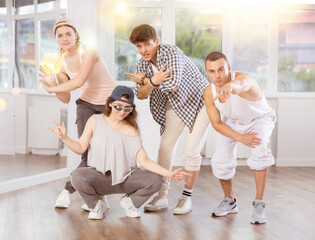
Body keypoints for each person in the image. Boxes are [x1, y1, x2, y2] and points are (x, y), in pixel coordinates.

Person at [49, 85, 189, 220]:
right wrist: (64, 138)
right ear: (110, 103)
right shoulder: (94, 121)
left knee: (157, 180)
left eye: (127, 109)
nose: (122, 112)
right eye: (118, 107)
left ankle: (131, 203)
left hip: (125, 179)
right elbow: (80, 147)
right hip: (99, 177)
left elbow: (144, 161)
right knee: (77, 176)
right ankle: (97, 205)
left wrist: (169, 174)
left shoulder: (132, 130)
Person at [124, 24, 210, 215]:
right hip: (176, 104)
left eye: (147, 44)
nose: (143, 50)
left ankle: (186, 197)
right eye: (139, 46)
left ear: (157, 41)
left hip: (201, 100)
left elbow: (173, 85)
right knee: (164, 148)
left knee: (191, 151)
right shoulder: (141, 65)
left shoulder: (171, 52)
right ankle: (161, 196)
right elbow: (141, 95)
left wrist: (146, 81)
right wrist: (151, 82)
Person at [39, 16, 117, 209]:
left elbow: (80, 81)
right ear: (56, 39)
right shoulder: (62, 62)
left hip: (109, 103)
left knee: (105, 152)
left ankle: (69, 190)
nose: (65, 38)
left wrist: (52, 88)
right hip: (86, 104)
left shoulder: (88, 51)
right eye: (60, 35)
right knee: (86, 152)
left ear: (76, 35)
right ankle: (93, 197)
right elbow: (65, 97)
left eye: (68, 34)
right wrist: (52, 84)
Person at [203, 51, 276, 224]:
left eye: (221, 70)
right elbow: (216, 123)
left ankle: (259, 203)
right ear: (207, 73)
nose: (217, 75)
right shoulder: (209, 92)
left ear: (228, 68)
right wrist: (240, 137)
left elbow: (242, 84)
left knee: (260, 152)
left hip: (259, 120)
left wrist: (231, 87)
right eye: (212, 71)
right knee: (220, 160)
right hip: (232, 122)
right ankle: (230, 201)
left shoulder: (244, 79)